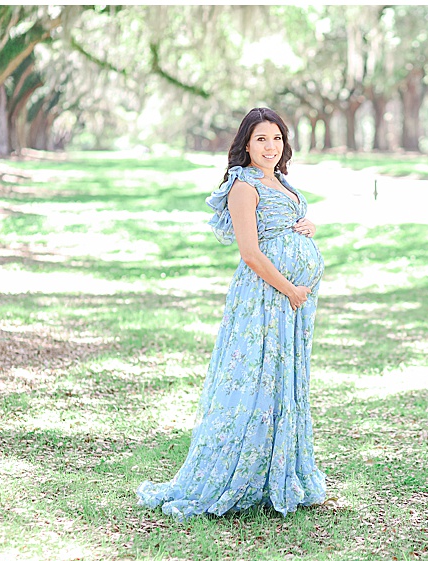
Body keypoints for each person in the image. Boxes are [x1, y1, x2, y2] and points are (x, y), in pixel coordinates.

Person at [135, 107, 327, 521]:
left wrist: (306, 224)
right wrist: (291, 288)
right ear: (246, 143)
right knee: (256, 379)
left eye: (276, 138)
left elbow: (282, 224)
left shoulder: (282, 181)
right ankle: (241, 474)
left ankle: (276, 472)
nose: (270, 147)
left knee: (283, 381)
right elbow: (251, 252)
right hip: (265, 298)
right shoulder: (243, 186)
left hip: (292, 304)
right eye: (261, 139)